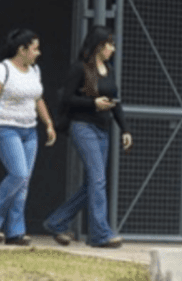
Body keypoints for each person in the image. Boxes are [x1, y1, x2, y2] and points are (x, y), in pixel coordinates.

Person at [43, 25, 132, 248]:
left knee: (94, 182)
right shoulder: (80, 68)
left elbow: (115, 102)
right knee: (98, 179)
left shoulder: (109, 69)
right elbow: (66, 99)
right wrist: (93, 103)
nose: (113, 48)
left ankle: (56, 222)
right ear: (99, 45)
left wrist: (125, 129)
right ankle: (100, 235)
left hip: (103, 129)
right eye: (110, 44)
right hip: (83, 127)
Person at [0, 28, 57, 246]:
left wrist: (48, 123)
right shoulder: (1, 69)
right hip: (5, 128)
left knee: (23, 183)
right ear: (22, 49)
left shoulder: (35, 71)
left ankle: (15, 232)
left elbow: (38, 98)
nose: (38, 53)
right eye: (35, 49)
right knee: (19, 174)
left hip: (29, 130)